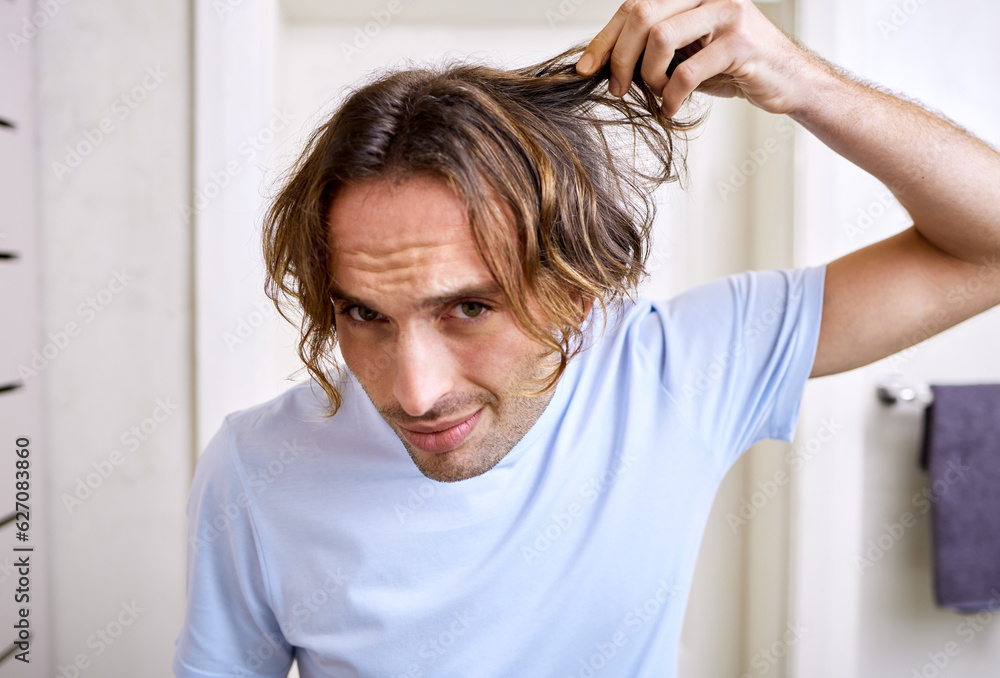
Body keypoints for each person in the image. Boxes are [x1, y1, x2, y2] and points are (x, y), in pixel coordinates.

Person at [173, 1, 1000, 676]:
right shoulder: (256, 467)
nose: (415, 393)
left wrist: (807, 85)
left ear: (577, 288)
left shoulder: (678, 370)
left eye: (469, 309)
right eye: (365, 316)